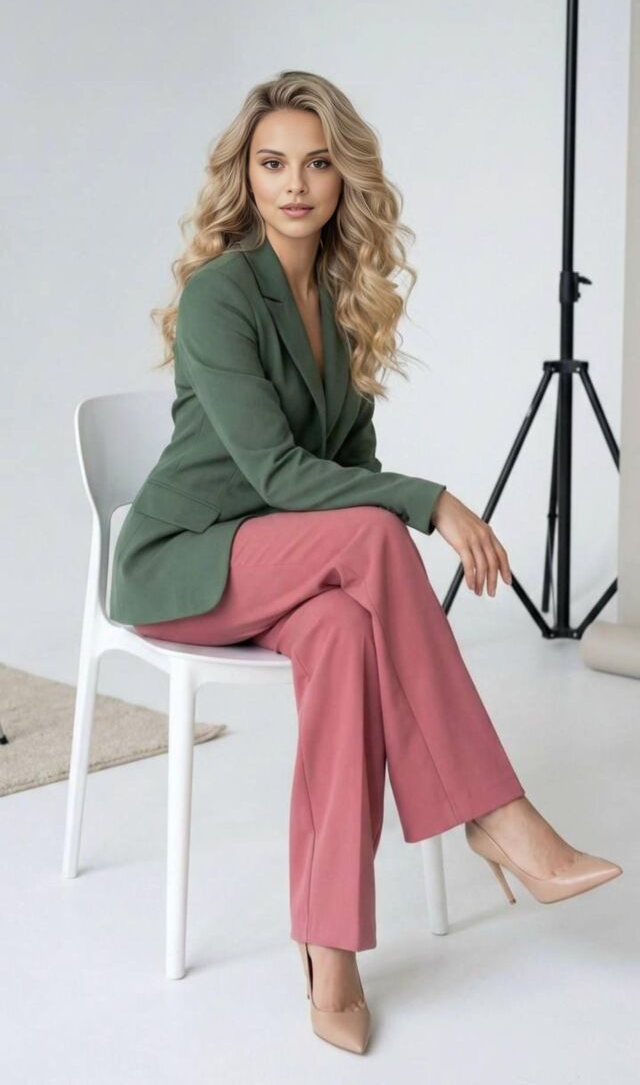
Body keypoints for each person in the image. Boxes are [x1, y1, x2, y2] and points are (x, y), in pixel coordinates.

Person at [109, 70, 622, 1055]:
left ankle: (331, 945)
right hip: (187, 563)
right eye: (272, 164)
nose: (293, 185)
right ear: (245, 176)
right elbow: (276, 472)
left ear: (344, 177)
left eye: (315, 164)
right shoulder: (221, 296)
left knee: (347, 631)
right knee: (380, 533)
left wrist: (395, 499)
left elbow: (345, 472)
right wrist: (432, 502)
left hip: (287, 565)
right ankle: (495, 812)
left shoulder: (341, 301)